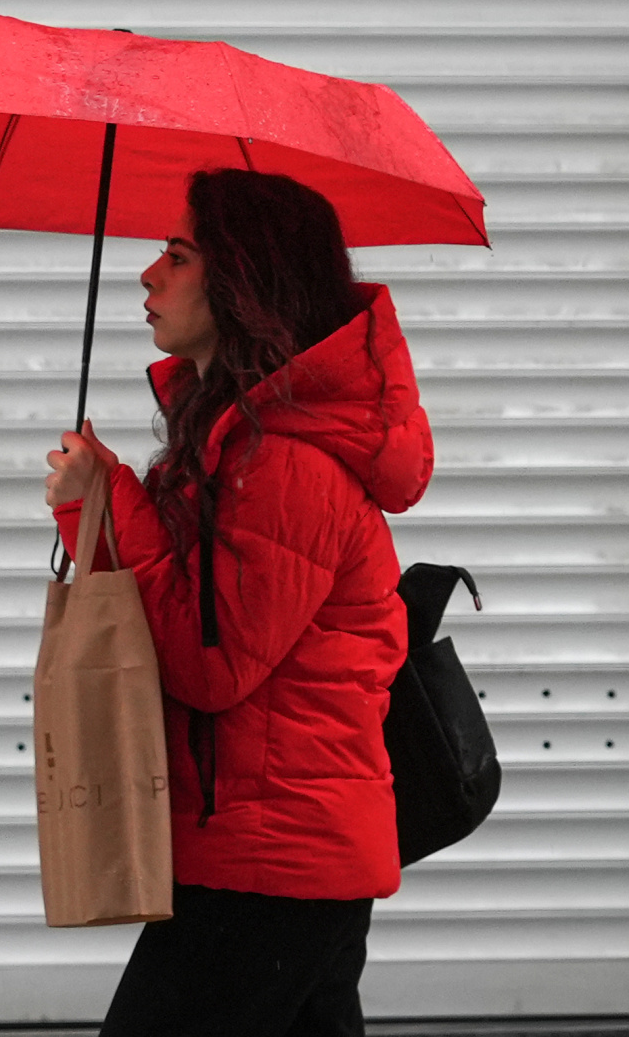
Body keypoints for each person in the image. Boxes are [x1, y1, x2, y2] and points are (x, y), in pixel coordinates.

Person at [43, 168, 433, 1037]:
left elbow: (211, 663)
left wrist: (102, 498)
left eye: (178, 255)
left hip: (271, 866)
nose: (149, 274)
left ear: (244, 283)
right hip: (270, 859)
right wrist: (103, 503)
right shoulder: (236, 443)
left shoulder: (287, 467)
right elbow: (181, 607)